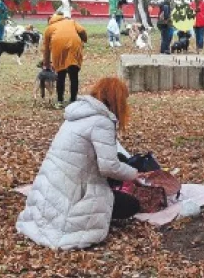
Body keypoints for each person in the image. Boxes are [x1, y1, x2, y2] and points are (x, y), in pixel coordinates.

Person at [16, 77, 141, 249]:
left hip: (50, 189)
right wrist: (135, 175)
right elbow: (108, 167)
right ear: (117, 100)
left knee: (120, 162)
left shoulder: (77, 114)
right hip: (72, 195)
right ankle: (87, 218)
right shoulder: (102, 122)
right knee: (132, 205)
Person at [43, 14, 88, 106]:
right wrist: (84, 39)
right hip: (74, 44)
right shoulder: (71, 22)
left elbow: (46, 49)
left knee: (61, 74)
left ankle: (60, 100)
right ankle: (73, 99)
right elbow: (82, 31)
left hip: (58, 47)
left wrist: (46, 64)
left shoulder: (49, 28)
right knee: (74, 74)